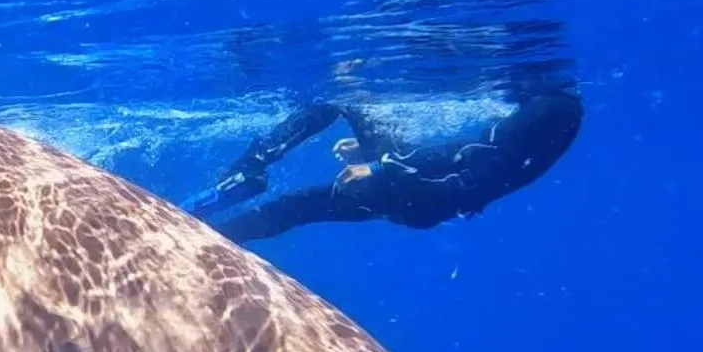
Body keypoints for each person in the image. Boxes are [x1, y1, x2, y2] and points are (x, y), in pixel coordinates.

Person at [184, 59, 583, 243]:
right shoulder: (557, 110)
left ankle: (245, 175)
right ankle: (215, 237)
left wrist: (380, 166)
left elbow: (470, 152)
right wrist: (373, 153)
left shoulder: (551, 107)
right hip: (426, 200)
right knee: (301, 206)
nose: (508, 85)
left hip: (417, 189)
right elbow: (483, 161)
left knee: (341, 93)